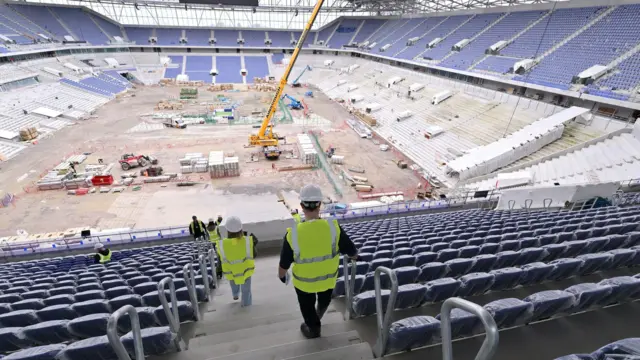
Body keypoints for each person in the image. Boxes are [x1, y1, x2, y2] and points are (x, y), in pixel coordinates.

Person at [278, 184, 358, 339]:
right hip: (328, 279)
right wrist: (356, 258)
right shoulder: (334, 228)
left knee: (307, 306)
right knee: (324, 300)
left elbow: (283, 267)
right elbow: (353, 253)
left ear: (301, 206)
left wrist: (282, 277)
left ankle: (314, 328)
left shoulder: (293, 234)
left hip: (304, 284)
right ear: (319, 204)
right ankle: (319, 313)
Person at [216, 216, 258, 307]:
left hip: (231, 270)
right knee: (246, 289)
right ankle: (246, 304)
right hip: (245, 270)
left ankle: (235, 294)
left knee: (233, 281)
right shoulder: (247, 241)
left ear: (227, 229)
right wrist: (254, 244)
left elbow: (221, 259)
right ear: (241, 228)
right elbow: (254, 255)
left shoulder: (222, 244)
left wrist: (218, 270)